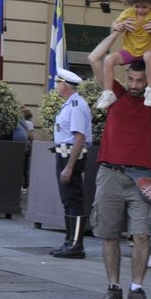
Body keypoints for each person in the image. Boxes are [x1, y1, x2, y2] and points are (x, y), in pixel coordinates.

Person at [88, 31, 151, 299]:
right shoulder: (114, 94)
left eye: (140, 81)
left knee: (142, 234)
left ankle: (137, 289)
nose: (134, 85)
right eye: (130, 79)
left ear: (148, 82)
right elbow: (96, 57)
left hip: (141, 176)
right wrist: (117, 32)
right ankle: (113, 287)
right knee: (108, 235)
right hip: (109, 173)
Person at [97, 0, 151, 110]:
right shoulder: (128, 13)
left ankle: (150, 91)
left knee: (149, 56)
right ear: (132, 3)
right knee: (109, 59)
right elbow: (115, 24)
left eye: (144, 7)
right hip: (130, 51)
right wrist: (115, 25)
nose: (140, 10)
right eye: (137, 6)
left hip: (149, 50)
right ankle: (108, 93)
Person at [49, 68, 93, 259]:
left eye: (58, 83)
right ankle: (70, 241)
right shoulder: (70, 104)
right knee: (68, 200)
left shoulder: (75, 105)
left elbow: (79, 137)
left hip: (71, 156)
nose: (56, 87)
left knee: (73, 199)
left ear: (65, 85)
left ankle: (76, 244)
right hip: (64, 154)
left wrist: (69, 166)